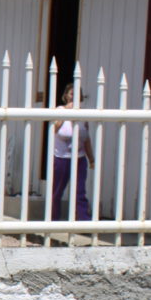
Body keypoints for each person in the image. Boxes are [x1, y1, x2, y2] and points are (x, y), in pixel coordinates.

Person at [51, 83, 95, 221]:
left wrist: (91, 158)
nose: (74, 97)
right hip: (62, 158)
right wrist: (67, 114)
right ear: (66, 96)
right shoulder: (60, 110)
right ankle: (53, 220)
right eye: (71, 94)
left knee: (79, 191)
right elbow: (54, 129)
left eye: (77, 95)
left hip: (79, 158)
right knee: (57, 191)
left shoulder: (83, 114)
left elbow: (86, 138)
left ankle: (83, 221)